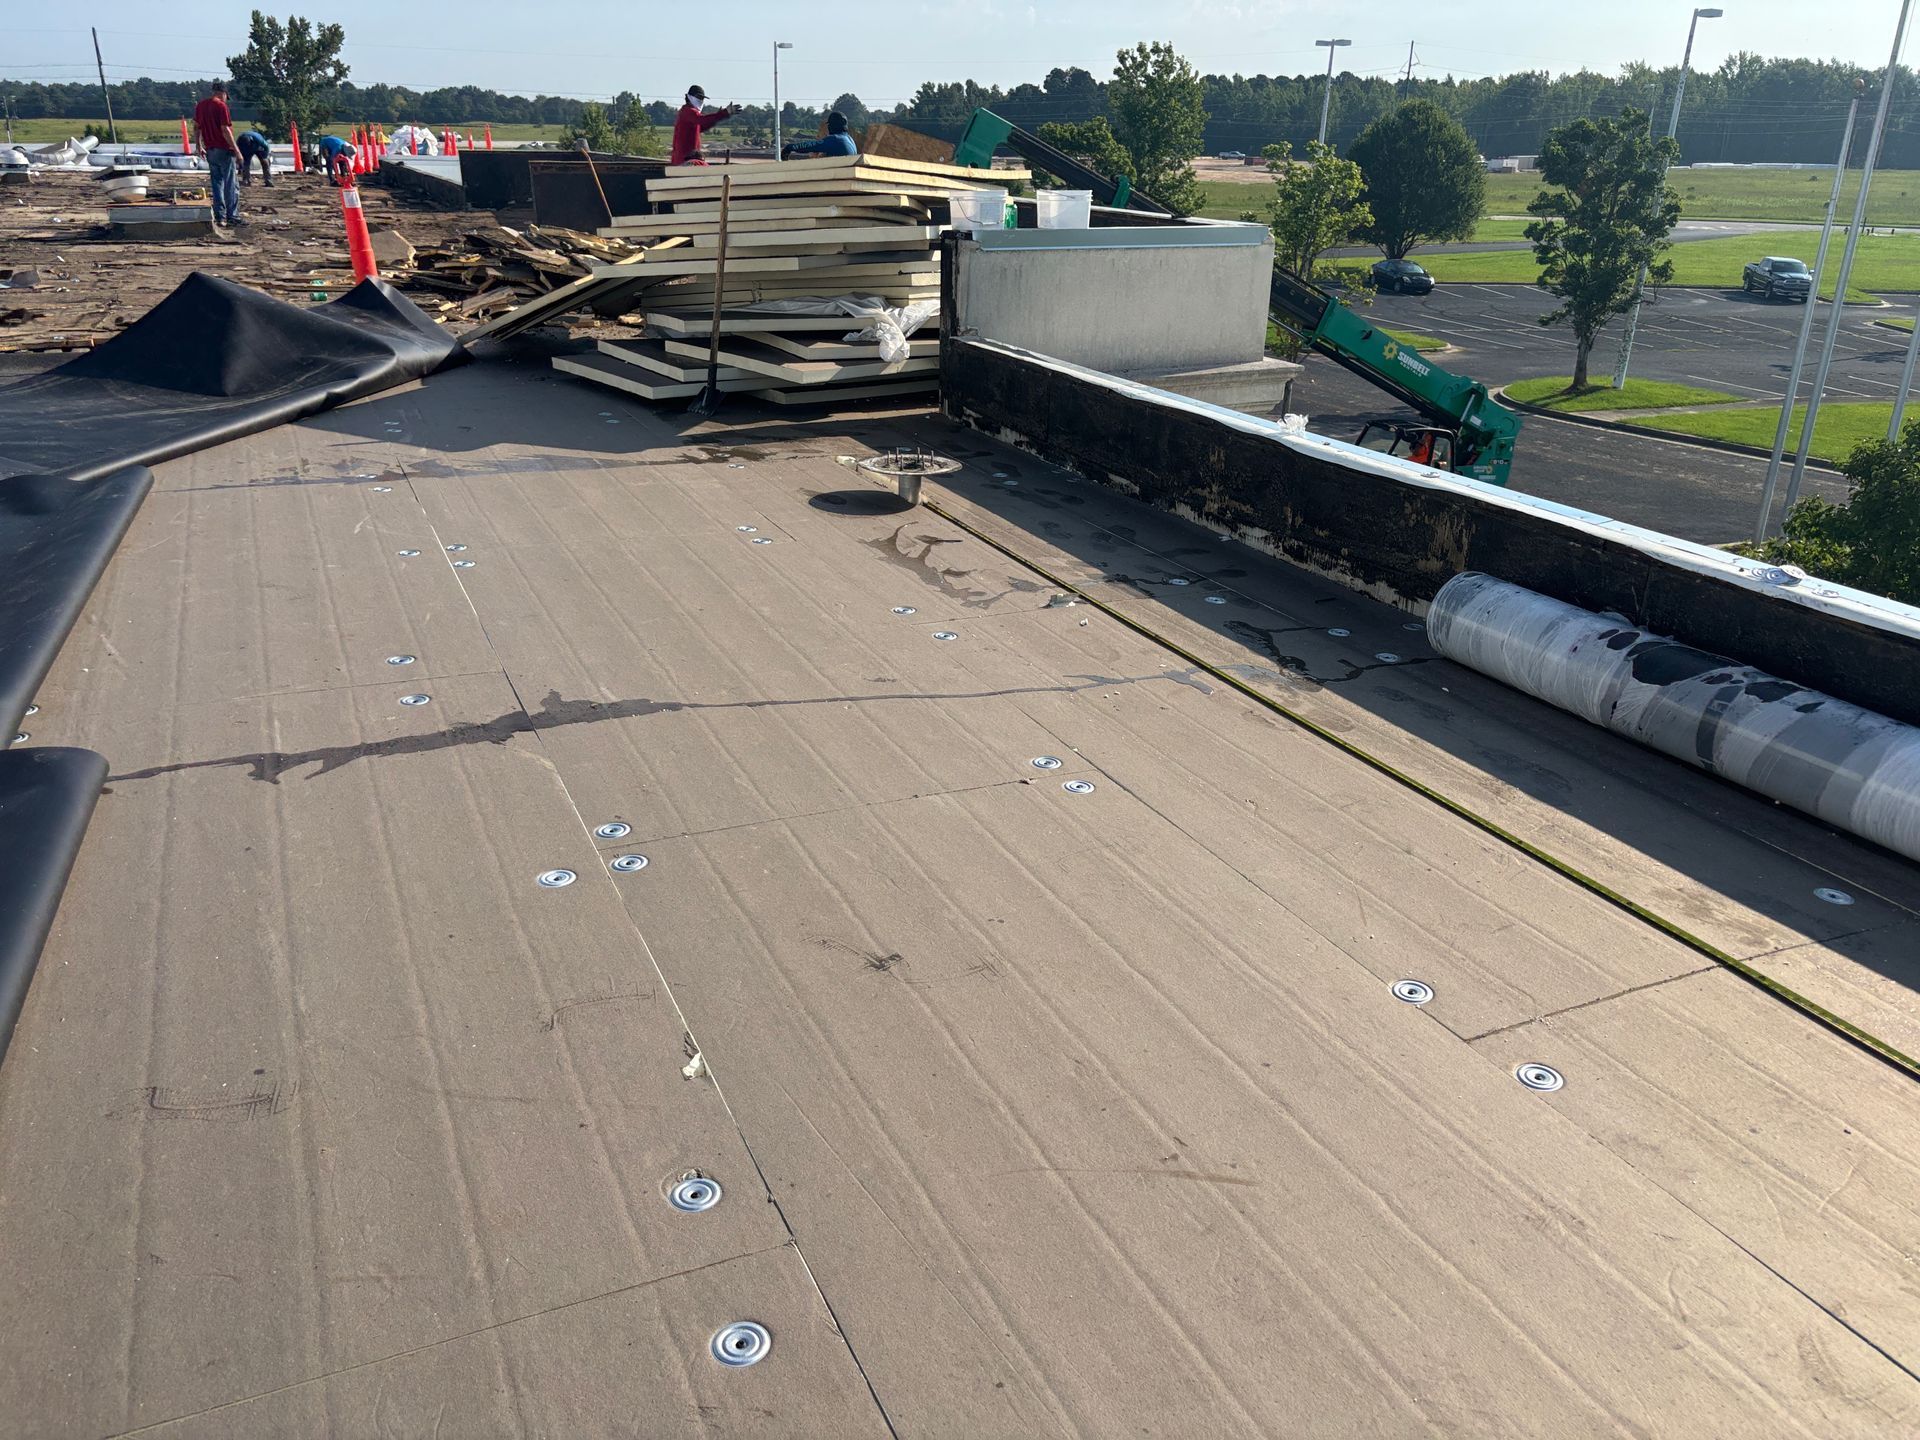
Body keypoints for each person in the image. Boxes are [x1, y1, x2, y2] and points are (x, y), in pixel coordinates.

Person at [192, 79, 243, 227]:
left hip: (210, 149)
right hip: (224, 149)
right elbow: (225, 130)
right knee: (230, 183)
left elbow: (196, 127)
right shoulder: (221, 106)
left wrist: (198, 145)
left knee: (217, 183)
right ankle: (232, 216)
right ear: (224, 93)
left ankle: (220, 216)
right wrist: (237, 150)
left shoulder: (201, 106)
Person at [670, 85, 741, 166]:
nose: (701, 100)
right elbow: (702, 120)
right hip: (684, 161)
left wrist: (717, 118)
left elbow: (701, 127)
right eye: (699, 97)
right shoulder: (688, 111)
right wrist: (723, 114)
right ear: (690, 97)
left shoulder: (687, 112)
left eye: (702, 98)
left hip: (686, 159)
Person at [782, 110, 857, 161]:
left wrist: (790, 147)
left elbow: (810, 146)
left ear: (831, 126)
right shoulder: (850, 140)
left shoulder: (835, 139)